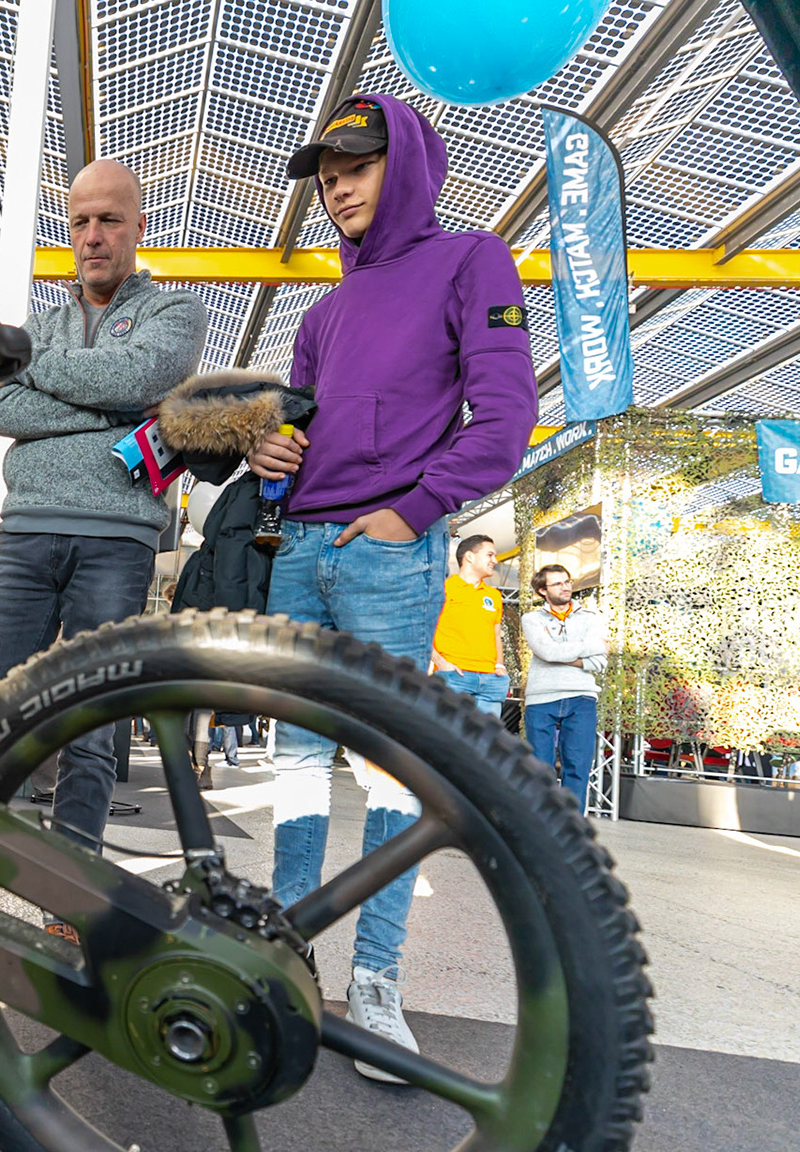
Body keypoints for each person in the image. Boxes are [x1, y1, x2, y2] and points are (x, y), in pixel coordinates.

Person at [245, 93, 536, 1080]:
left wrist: (414, 513)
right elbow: (299, 441)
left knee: (383, 774)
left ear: (404, 161)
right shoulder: (321, 312)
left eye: (356, 165)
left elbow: (504, 419)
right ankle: (280, 956)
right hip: (304, 552)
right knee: (291, 763)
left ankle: (375, 978)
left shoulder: (471, 261)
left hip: (388, 551)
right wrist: (273, 462)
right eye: (325, 173)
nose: (334, 185)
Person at [0, 159, 207, 903]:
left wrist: (54, 378)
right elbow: (3, 412)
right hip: (28, 531)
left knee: (91, 722)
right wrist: (118, 407)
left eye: (109, 219)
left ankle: (72, 903)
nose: (93, 235)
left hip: (118, 537)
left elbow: (137, 381)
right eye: (80, 221)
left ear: (139, 225)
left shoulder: (177, 313)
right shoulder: (37, 326)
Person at [521, 563, 608, 813]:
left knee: (578, 766)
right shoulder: (532, 619)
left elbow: (600, 659)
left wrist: (560, 651)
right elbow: (546, 652)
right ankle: (541, 827)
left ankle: (573, 829)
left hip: (581, 696)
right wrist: (586, 648)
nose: (566, 586)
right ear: (542, 590)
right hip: (541, 697)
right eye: (558, 583)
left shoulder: (592, 618)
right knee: (539, 769)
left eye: (567, 581)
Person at [431, 533, 510, 717]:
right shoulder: (442, 589)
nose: (495, 560)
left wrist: (500, 666)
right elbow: (422, 630)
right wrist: (440, 662)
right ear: (469, 557)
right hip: (454, 677)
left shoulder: (494, 595)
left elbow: (496, 634)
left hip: (491, 680)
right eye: (490, 555)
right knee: (448, 740)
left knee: (486, 743)